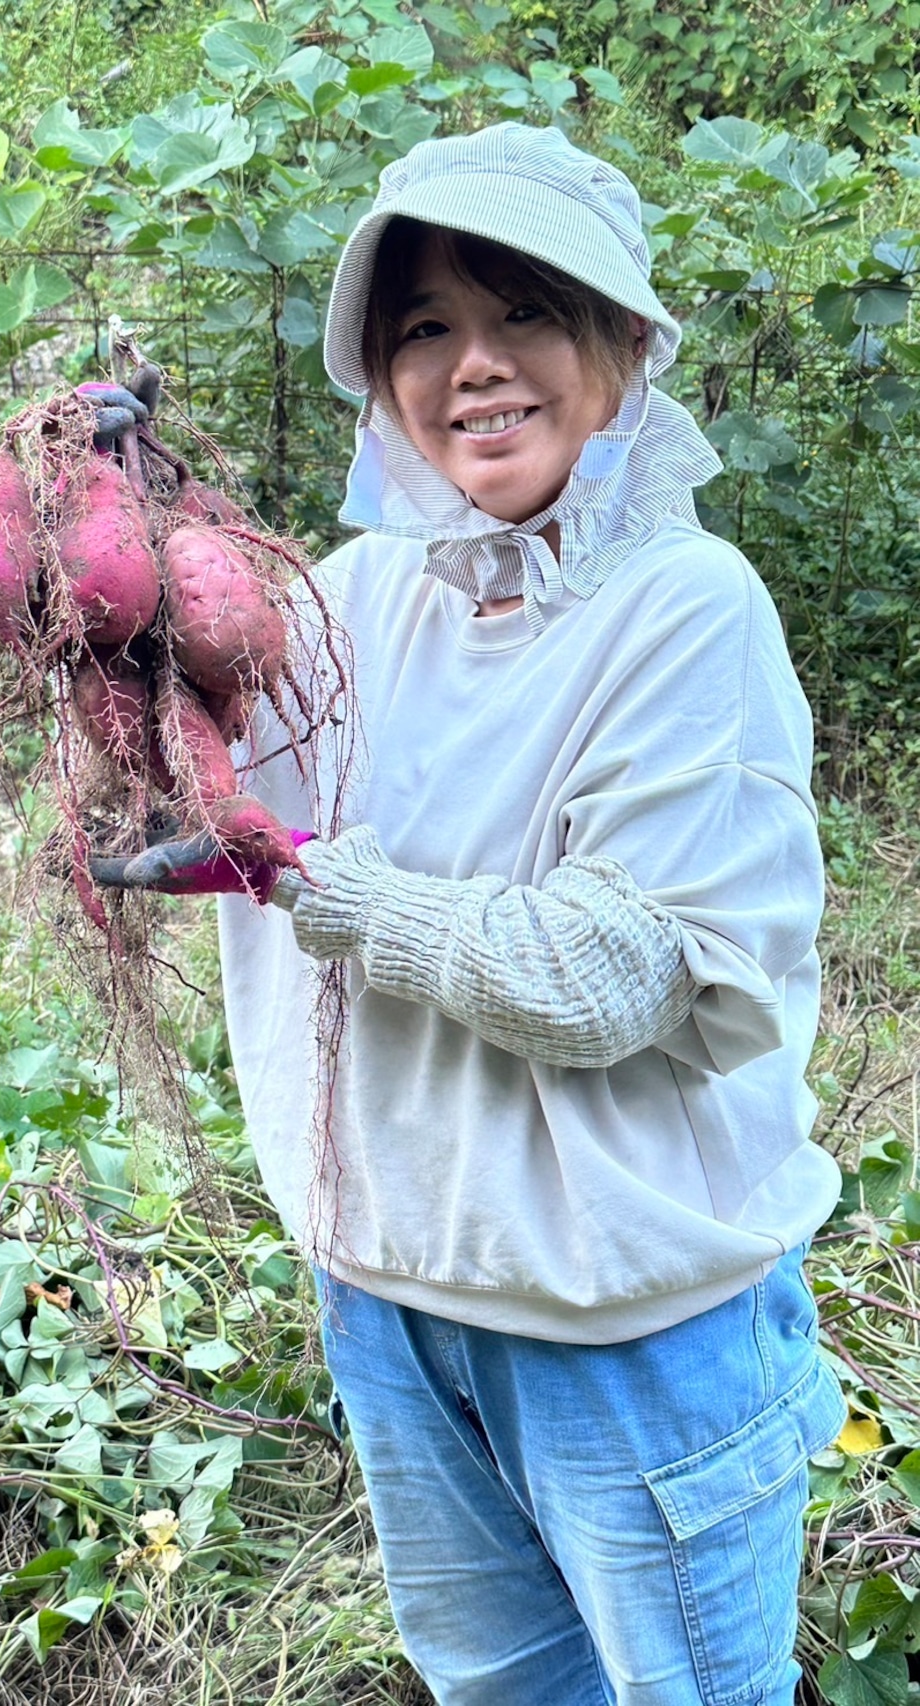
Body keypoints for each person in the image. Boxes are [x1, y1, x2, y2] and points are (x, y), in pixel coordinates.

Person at [211, 124, 848, 1706]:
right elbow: (198, 811)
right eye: (427, 326)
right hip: (392, 1301)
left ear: (620, 345)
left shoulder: (683, 607)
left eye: (527, 315)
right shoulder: (349, 598)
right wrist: (109, 636)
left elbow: (607, 970)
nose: (475, 366)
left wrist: (327, 883)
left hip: (628, 1334)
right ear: (380, 374)